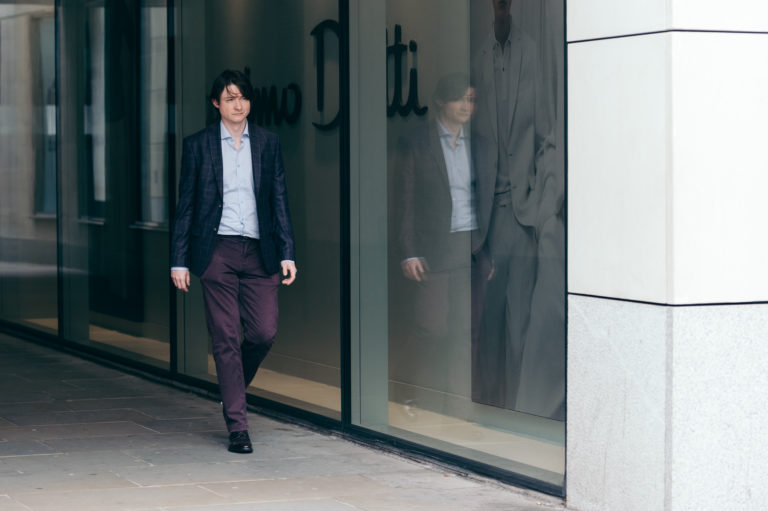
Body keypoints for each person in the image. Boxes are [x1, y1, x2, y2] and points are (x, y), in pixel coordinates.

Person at [170, 69, 297, 454]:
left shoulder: (268, 143)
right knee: (225, 338)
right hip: (217, 251)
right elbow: (186, 206)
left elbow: (279, 200)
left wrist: (288, 251)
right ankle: (238, 427)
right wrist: (179, 260)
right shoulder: (198, 146)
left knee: (263, 333)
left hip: (260, 251)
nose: (237, 104)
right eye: (229, 98)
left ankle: (231, 389)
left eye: (242, 97)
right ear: (216, 104)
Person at [470, 0, 559, 409]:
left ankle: (518, 415)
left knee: (519, 324)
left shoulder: (533, 55)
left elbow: (546, 137)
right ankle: (487, 413)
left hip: (522, 215)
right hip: (486, 218)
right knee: (487, 329)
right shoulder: (478, 58)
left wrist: (541, 208)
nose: (502, 5)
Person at [395, 73, 492, 399]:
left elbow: (491, 200)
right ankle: (424, 397)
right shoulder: (417, 142)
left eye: (472, 100)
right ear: (440, 102)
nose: (467, 106)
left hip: (471, 246)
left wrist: (489, 251)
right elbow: (404, 199)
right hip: (432, 248)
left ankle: (460, 407)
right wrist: (409, 251)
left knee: (467, 332)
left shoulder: (479, 144)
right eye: (460, 99)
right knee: (432, 328)